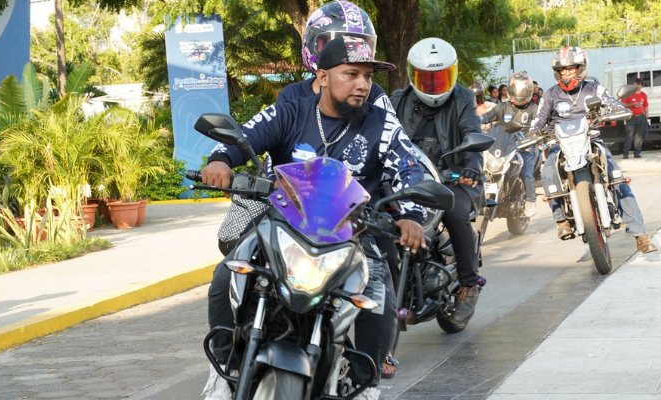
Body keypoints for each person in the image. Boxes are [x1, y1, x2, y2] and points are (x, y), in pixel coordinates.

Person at [201, 36, 426, 400]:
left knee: (378, 295)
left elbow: (410, 168)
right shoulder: (290, 111)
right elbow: (246, 135)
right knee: (227, 273)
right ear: (322, 78)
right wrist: (220, 160)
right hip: (282, 227)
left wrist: (412, 215)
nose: (362, 85)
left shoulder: (382, 125)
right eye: (350, 74)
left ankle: (365, 386)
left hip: (351, 235)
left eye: (367, 76)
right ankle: (226, 370)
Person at [217, 0, 390, 256]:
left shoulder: (373, 95)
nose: (349, 51)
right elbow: (261, 133)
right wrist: (221, 158)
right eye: (336, 45)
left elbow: (396, 143)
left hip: (353, 207)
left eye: (357, 44)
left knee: (389, 264)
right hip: (289, 202)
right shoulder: (291, 98)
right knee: (235, 257)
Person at [391, 37, 487, 331]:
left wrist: (471, 168)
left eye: (440, 78)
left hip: (452, 177)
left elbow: (472, 134)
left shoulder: (462, 99)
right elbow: (384, 136)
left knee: (456, 213)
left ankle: (469, 285)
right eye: (427, 79)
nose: (433, 85)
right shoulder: (398, 100)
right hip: (409, 178)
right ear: (412, 75)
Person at [531, 46, 658, 254]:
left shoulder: (593, 89)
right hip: (559, 144)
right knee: (547, 172)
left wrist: (618, 110)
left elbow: (612, 105)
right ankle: (561, 220)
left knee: (616, 177)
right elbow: (538, 121)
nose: (566, 73)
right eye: (562, 70)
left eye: (571, 69)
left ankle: (641, 235)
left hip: (591, 141)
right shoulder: (550, 95)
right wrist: (534, 132)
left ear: (581, 68)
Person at [480, 71, 539, 217]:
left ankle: (531, 200)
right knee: (478, 166)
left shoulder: (532, 108)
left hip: (524, 147)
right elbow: (487, 116)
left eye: (524, 90)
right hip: (502, 146)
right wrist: (474, 121)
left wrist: (535, 133)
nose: (520, 94)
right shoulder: (502, 107)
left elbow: (538, 123)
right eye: (518, 90)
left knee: (527, 174)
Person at [621, 77, 649, 159]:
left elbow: (646, 106)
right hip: (631, 117)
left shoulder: (643, 95)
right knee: (629, 136)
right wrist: (633, 104)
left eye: (641, 85)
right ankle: (625, 153)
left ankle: (637, 153)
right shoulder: (629, 94)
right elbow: (623, 104)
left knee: (639, 136)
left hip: (641, 116)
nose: (639, 86)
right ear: (634, 84)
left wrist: (646, 116)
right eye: (638, 84)